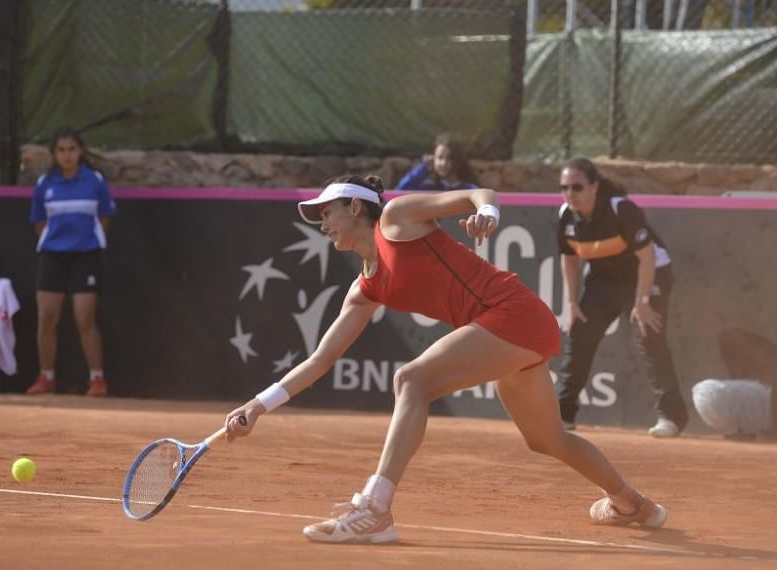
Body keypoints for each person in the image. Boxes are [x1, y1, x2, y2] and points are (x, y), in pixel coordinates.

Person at [223, 175, 668, 544]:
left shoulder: (396, 219)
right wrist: (257, 406)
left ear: (356, 208)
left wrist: (486, 215)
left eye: (327, 212)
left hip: (515, 316)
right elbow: (320, 361)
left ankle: (375, 509)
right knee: (547, 440)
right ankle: (632, 503)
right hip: (512, 333)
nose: (324, 224)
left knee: (411, 380)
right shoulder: (363, 290)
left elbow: (480, 194)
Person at [555, 157, 688, 437]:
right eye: (564, 187)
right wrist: (571, 303)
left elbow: (647, 256)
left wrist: (642, 302)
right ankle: (562, 414)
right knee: (580, 334)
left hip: (647, 273)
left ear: (594, 186)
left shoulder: (620, 210)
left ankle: (671, 417)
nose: (570, 194)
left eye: (577, 187)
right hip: (604, 279)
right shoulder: (566, 216)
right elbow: (569, 260)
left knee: (648, 333)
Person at [25, 127, 115, 397]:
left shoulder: (95, 181)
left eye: (72, 149)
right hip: (52, 256)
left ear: (80, 151)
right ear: (54, 153)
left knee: (84, 317)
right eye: (61, 150)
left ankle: (97, 379)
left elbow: (105, 218)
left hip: (86, 256)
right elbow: (39, 222)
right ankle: (46, 377)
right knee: (47, 317)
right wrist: (55, 243)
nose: (67, 155)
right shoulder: (45, 184)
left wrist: (86, 241)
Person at [395, 133, 480, 191]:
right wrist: (423, 167)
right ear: (433, 159)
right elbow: (400, 191)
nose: (443, 163)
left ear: (458, 161)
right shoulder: (427, 187)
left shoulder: (469, 189)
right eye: (440, 158)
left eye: (449, 158)